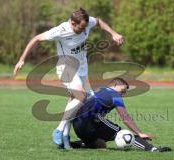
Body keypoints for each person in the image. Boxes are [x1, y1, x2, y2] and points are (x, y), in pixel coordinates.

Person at [13, 8, 124, 149]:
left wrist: (113, 33)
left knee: (74, 102)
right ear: (72, 22)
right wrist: (22, 60)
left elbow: (99, 22)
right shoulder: (61, 30)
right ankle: (59, 129)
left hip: (82, 67)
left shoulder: (87, 22)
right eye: (81, 27)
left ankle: (65, 137)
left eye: (86, 27)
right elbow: (36, 38)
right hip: (66, 67)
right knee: (82, 96)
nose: (84, 30)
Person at [68, 77, 171, 152]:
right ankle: (152, 149)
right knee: (122, 133)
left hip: (77, 125)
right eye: (123, 90)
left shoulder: (98, 89)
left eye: (125, 92)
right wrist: (140, 133)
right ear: (115, 85)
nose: (124, 93)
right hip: (90, 121)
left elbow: (77, 98)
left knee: (101, 144)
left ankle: (75, 144)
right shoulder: (115, 95)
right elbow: (125, 117)